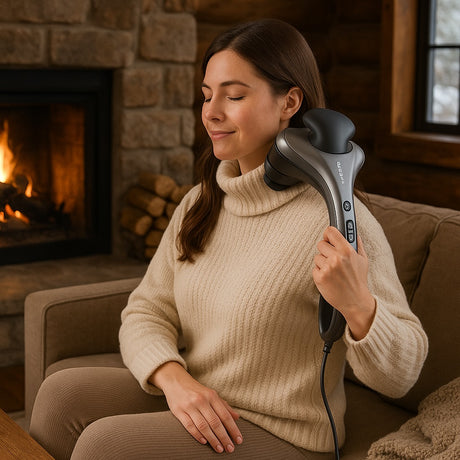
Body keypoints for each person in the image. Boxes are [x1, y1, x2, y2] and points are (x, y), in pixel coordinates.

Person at [29, 19, 428, 459]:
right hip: (203, 396)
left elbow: (403, 373)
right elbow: (146, 309)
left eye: (234, 96)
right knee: (61, 394)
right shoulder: (202, 201)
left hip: (280, 432)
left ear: (289, 102)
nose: (211, 112)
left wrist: (358, 306)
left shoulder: (339, 221)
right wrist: (174, 380)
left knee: (105, 446)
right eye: (206, 95)